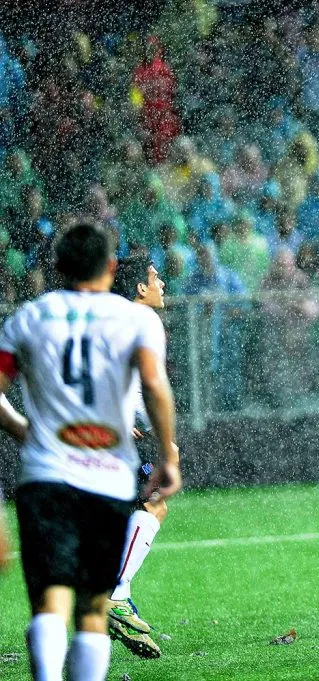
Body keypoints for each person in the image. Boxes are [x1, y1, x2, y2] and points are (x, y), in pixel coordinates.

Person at [0, 221, 179, 680]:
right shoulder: (134, 320)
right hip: (105, 474)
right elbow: (155, 387)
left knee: (50, 601)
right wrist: (168, 453)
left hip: (45, 474)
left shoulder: (30, 317)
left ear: (58, 267)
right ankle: (118, 597)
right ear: (112, 267)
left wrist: (22, 428)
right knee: (93, 609)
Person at [105, 254, 178, 659]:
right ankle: (115, 596)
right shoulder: (138, 323)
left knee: (143, 509)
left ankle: (121, 601)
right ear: (139, 288)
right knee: (154, 504)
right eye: (155, 277)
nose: (162, 283)